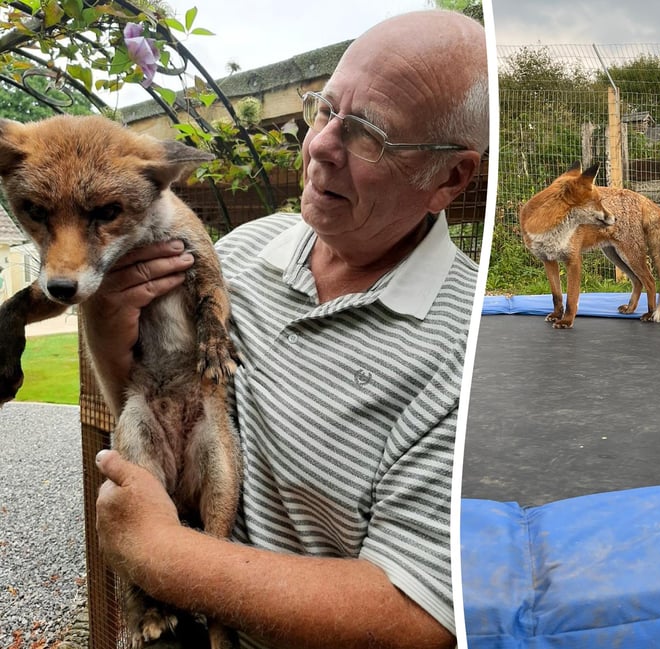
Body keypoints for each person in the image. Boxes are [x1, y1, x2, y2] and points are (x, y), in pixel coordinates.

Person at [85, 9, 489, 649]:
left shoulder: (464, 350)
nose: (321, 145)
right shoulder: (245, 248)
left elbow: (416, 613)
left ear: (450, 177)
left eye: (367, 135)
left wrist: (164, 558)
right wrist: (108, 336)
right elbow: (158, 401)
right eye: (324, 109)